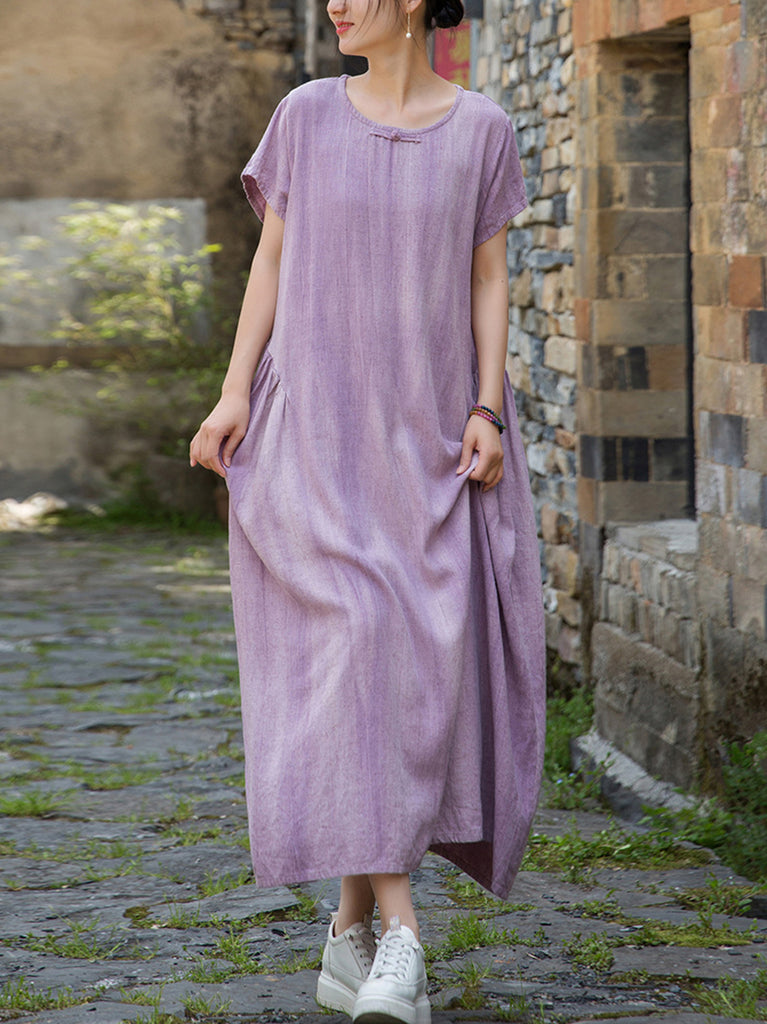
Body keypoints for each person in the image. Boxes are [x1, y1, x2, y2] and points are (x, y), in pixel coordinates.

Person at [189, 0, 546, 1017]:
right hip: (311, 431)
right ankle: (402, 935)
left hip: (427, 439)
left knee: (389, 669)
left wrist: (485, 405)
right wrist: (231, 393)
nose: (336, 3)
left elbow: (488, 276)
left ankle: (348, 932)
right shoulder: (304, 113)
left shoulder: (481, 129)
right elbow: (271, 259)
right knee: (359, 640)